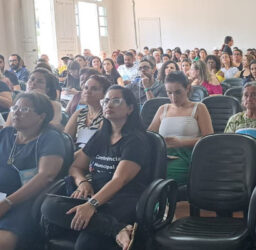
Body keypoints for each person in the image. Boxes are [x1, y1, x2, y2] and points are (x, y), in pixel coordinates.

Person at [41, 85, 152, 250]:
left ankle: (109, 227)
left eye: (116, 101)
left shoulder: (136, 140)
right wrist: (82, 182)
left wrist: (91, 205)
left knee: (84, 245)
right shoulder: (101, 136)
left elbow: (119, 180)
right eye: (106, 100)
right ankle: (118, 229)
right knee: (49, 205)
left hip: (123, 199)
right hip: (96, 195)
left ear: (130, 108)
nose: (109, 105)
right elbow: (76, 166)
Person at [0, 92, 65, 250]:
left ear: (41, 116)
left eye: (24, 109)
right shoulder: (6, 134)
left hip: (23, 203)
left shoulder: (50, 138)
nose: (15, 112)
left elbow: (45, 176)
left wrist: (7, 203)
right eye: (15, 107)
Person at [148, 71, 213, 186]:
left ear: (187, 88)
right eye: (169, 93)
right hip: (164, 156)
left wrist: (181, 142)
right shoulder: (163, 109)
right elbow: (150, 136)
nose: (173, 97)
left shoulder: (199, 108)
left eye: (178, 92)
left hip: (186, 157)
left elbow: (208, 139)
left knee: (165, 176)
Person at [64, 75, 111, 150]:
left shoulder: (107, 115)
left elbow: (98, 146)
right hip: (75, 154)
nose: (87, 91)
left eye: (94, 89)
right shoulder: (79, 113)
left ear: (105, 94)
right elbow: (65, 139)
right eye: (86, 88)